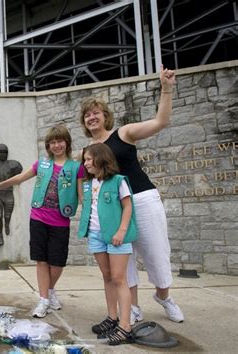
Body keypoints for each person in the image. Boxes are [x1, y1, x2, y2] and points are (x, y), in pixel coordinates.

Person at [79, 65, 184, 324]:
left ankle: (164, 296)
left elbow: (161, 121)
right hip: (112, 209)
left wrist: (167, 89)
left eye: (96, 113)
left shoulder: (123, 133)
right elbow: (81, 180)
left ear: (105, 116)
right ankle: (133, 307)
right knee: (122, 261)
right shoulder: (88, 151)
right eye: (86, 115)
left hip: (142, 198)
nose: (91, 117)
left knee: (156, 253)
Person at [0, 125, 82, 318]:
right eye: (52, 142)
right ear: (48, 146)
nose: (56, 145)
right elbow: (20, 177)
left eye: (59, 141)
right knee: (41, 260)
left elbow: (81, 195)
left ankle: (49, 290)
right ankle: (44, 299)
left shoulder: (76, 167)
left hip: (60, 222)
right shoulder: (41, 164)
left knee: (58, 263)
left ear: (66, 142)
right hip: (38, 218)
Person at [78, 143, 136, 345]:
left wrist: (121, 231)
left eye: (88, 159)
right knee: (107, 276)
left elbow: (127, 207)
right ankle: (113, 317)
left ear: (101, 158)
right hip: (96, 235)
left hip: (116, 236)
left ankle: (126, 326)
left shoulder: (118, 181)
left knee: (120, 278)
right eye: (84, 160)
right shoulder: (89, 183)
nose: (85, 164)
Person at [0, 144, 23, 245]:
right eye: (0, 152)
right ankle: (0, 234)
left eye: (4, 152)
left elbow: (20, 171)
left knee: (7, 215)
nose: (2, 154)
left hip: (9, 193)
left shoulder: (12, 164)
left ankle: (7, 224)